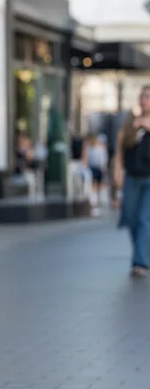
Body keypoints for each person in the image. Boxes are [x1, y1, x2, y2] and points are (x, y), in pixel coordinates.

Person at [114, 85, 150, 277]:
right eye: (143, 96)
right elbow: (119, 150)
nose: (145, 100)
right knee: (131, 218)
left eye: (149, 97)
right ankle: (142, 252)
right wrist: (117, 173)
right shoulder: (130, 123)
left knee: (146, 219)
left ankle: (141, 262)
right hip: (132, 177)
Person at [83, 133, 108, 211]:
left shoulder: (98, 148)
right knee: (95, 184)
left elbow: (103, 159)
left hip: (97, 168)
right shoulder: (93, 148)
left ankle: (96, 198)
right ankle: (95, 199)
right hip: (95, 168)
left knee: (97, 184)